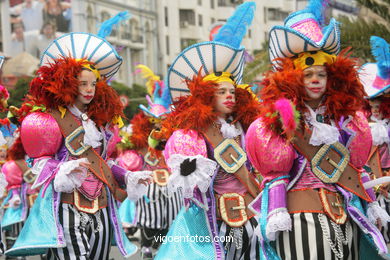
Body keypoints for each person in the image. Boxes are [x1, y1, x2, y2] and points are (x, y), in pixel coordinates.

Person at [245, 1, 390, 259]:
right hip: (299, 218)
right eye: (307, 73)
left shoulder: (347, 121)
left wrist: (370, 207)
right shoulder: (273, 123)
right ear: (291, 79)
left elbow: (357, 169)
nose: (315, 79)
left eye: (321, 74)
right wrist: (276, 211)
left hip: (346, 216)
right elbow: (275, 174)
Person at [4, 12, 150, 259]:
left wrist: (127, 176)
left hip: (103, 207)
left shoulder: (101, 125)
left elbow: (105, 162)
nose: (89, 90)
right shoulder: (48, 119)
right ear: (69, 84)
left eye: (93, 84)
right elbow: (37, 162)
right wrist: (61, 170)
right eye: (83, 84)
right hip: (67, 206)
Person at [155, 2, 261, 259]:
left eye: (232, 91)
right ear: (205, 97)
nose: (229, 96)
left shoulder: (244, 128)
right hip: (212, 219)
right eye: (221, 92)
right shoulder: (191, 134)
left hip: (251, 212)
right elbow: (190, 183)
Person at [360, 36, 390, 244]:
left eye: (380, 99)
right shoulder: (359, 125)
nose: (375, 105)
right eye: (371, 100)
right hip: (371, 188)